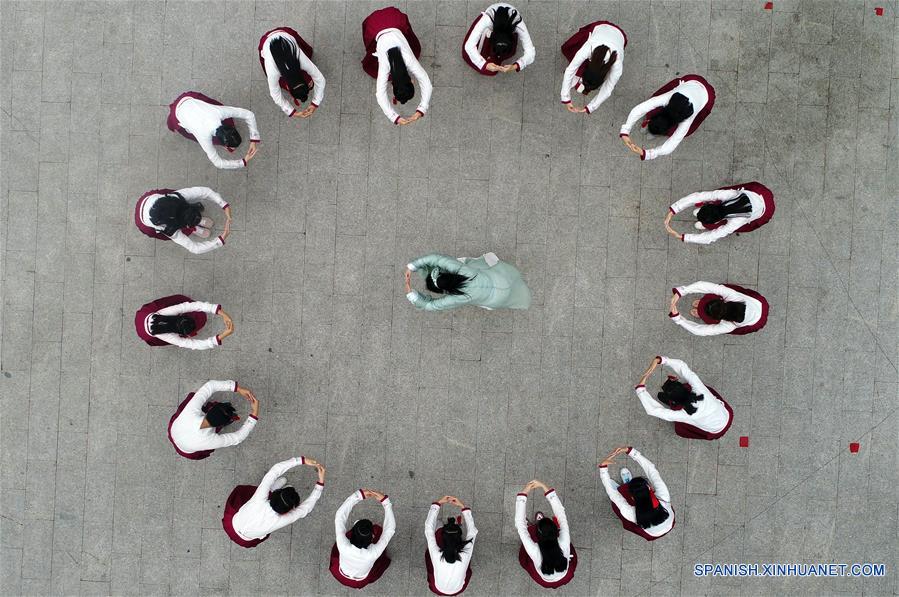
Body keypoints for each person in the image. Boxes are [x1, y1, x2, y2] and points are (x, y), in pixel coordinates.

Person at [222, 457, 326, 548]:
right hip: (244, 537)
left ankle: (274, 487)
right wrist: (320, 482)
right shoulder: (281, 520)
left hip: (232, 522)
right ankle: (275, 487)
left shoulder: (259, 499)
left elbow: (274, 471)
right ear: (286, 512)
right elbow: (305, 509)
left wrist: (301, 460)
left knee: (248, 493)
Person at [361, 7, 432, 125]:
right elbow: (380, 94)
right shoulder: (385, 66)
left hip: (392, 20)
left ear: (411, 80)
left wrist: (420, 110)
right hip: (377, 25)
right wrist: (395, 117)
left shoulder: (410, 60)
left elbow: (426, 82)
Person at [634, 356, 733, 440]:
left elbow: (654, 411)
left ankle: (670, 401)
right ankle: (671, 399)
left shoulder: (686, 415)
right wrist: (661, 360)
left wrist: (641, 388)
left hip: (715, 429)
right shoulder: (700, 390)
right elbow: (683, 368)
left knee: (682, 425)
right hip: (726, 415)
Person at [619, 74, 715, 160]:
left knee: (656, 108)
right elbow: (672, 143)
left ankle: (652, 126)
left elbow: (642, 107)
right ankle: (655, 130)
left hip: (701, 92)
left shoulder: (686, 119)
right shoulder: (670, 98)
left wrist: (626, 131)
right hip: (699, 91)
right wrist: (647, 153)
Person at [404, 252, 531, 312]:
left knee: (483, 300)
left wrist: (412, 295)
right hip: (500, 279)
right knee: (468, 262)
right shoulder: (463, 270)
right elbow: (438, 259)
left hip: (498, 300)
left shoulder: (459, 298)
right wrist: (412, 266)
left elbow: (431, 306)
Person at [166, 91, 260, 169]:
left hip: (188, 99)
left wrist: (244, 160)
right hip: (179, 113)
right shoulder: (203, 137)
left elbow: (249, 114)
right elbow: (218, 163)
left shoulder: (219, 112)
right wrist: (253, 141)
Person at [167, 380, 259, 460]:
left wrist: (238, 389)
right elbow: (238, 438)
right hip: (183, 443)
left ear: (211, 410)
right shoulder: (209, 440)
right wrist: (254, 412)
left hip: (175, 431)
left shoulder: (190, 412)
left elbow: (210, 385)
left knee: (193, 399)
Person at [598, 446, 675, 541]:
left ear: (633, 498)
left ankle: (623, 486)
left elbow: (613, 494)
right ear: (649, 488)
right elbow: (652, 471)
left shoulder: (630, 513)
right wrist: (631, 451)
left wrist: (603, 468)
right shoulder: (664, 498)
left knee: (617, 499)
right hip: (661, 526)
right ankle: (625, 485)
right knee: (618, 500)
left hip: (654, 525)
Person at [665, 182, 775, 244]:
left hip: (764, 210)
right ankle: (706, 220)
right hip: (759, 192)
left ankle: (706, 224)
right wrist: (673, 210)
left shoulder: (736, 222)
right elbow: (699, 196)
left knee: (728, 228)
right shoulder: (730, 196)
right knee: (717, 193)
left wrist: (684, 237)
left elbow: (712, 236)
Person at [515, 479, 577, 588]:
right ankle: (536, 525)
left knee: (526, 540)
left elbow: (520, 526)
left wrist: (524, 493)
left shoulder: (535, 550)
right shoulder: (563, 542)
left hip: (545, 578)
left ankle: (533, 525)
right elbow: (561, 514)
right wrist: (544, 487)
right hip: (563, 575)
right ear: (555, 531)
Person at [330, 489, 396, 588]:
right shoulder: (373, 553)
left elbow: (339, 516)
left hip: (340, 573)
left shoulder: (343, 545)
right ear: (371, 537)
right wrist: (385, 502)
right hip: (359, 580)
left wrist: (358, 495)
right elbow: (389, 530)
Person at [134, 186, 232, 254]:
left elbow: (204, 191)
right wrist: (219, 241)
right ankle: (193, 228)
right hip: (146, 223)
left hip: (156, 202)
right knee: (181, 231)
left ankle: (193, 223)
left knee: (185, 214)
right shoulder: (169, 230)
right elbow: (194, 248)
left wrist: (223, 204)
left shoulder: (175, 197)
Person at [559, 20, 626, 114]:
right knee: (572, 52)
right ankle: (582, 81)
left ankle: (582, 81)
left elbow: (571, 69)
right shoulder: (589, 49)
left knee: (575, 58)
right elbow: (608, 89)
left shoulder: (616, 63)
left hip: (615, 34)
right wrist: (589, 107)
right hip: (608, 32)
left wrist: (567, 99)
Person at [258, 27, 325, 118]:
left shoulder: (300, 59)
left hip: (282, 35)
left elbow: (320, 79)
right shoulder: (273, 70)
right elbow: (275, 95)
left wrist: (292, 112)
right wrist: (314, 104)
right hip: (272, 39)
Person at [134, 295, 234, 349]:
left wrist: (223, 314)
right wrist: (222, 335)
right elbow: (188, 306)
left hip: (145, 316)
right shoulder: (166, 334)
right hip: (144, 318)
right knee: (179, 302)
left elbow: (193, 345)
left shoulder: (166, 332)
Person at [669, 281, 769, 336]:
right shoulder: (734, 296)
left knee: (721, 289)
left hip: (756, 320)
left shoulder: (729, 326)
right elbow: (699, 331)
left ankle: (702, 310)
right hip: (758, 303)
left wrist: (679, 319)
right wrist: (681, 291)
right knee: (721, 289)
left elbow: (700, 331)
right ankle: (703, 311)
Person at [462, 4, 535, 76]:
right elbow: (468, 46)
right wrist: (485, 65)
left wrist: (515, 66)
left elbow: (531, 53)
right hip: (489, 19)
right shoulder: (486, 20)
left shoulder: (519, 25)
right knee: (467, 55)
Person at [425, 495, 477, 596]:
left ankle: (441, 524)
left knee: (437, 528)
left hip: (441, 587)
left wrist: (438, 504)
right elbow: (472, 531)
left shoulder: (437, 554)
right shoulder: (465, 554)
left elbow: (428, 529)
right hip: (456, 588)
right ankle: (454, 525)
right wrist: (462, 506)